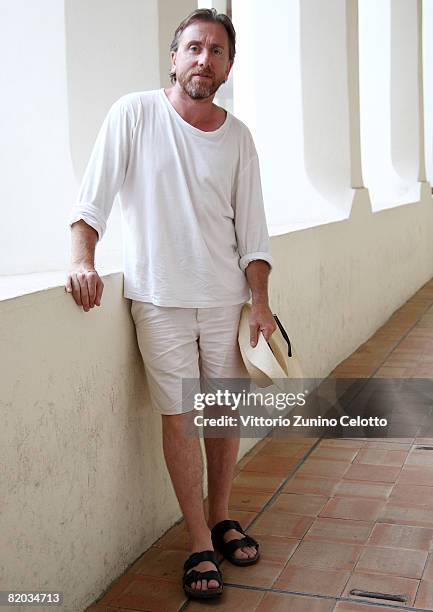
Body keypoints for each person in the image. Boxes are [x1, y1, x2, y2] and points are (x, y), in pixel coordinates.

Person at [66, 8, 275, 600]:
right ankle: (197, 541)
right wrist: (83, 260)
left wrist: (259, 301)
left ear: (228, 66)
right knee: (182, 418)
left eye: (215, 50)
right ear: (174, 56)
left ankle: (222, 514)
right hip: (159, 299)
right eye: (193, 48)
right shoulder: (134, 113)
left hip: (227, 302)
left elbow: (254, 235)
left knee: (224, 415)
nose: (203, 59)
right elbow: (92, 201)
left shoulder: (239, 138)